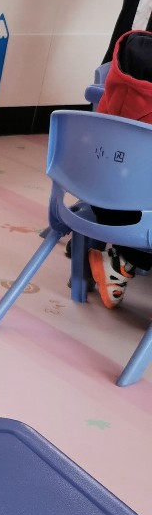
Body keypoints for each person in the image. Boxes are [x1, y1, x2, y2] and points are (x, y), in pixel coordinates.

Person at [88, 28, 152, 308]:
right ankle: (123, 261)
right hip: (139, 218)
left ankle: (122, 262)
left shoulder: (127, 59)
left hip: (95, 193)